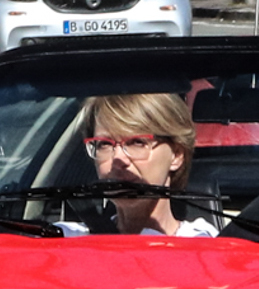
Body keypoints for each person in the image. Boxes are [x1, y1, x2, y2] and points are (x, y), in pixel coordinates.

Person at [70, 92, 216, 238]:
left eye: (137, 142)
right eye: (105, 144)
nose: (118, 158)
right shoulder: (67, 242)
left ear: (176, 155)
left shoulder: (207, 246)